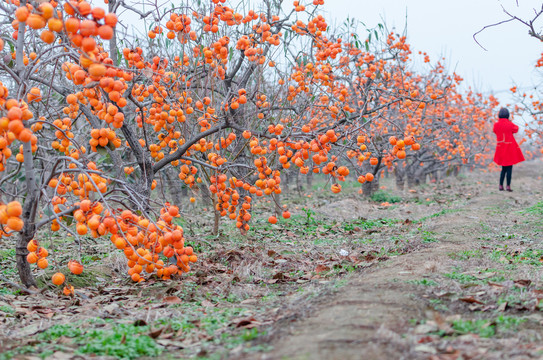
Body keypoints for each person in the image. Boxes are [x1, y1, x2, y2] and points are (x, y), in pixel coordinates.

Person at [493, 107, 525, 192]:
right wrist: (509, 121)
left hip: (500, 148)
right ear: (508, 115)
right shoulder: (510, 124)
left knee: (503, 168)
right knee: (509, 168)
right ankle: (508, 186)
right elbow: (516, 129)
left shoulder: (496, 125)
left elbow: (495, 131)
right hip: (509, 148)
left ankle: (500, 185)